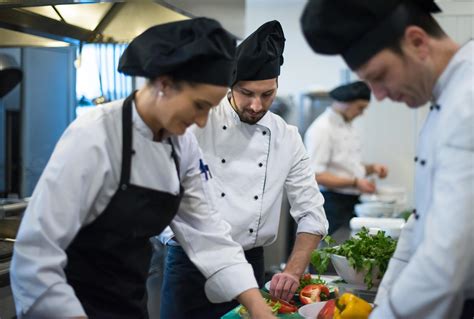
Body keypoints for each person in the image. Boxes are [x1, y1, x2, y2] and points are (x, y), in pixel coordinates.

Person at [10, 18, 277, 319]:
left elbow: (207, 232)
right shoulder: (95, 136)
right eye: (199, 106)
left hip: (129, 306)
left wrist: (257, 305)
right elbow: (36, 256)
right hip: (67, 306)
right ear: (163, 84)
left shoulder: (182, 145)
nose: (202, 121)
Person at [301, 0, 473, 318]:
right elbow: (419, 224)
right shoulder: (444, 100)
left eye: (379, 76)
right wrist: (383, 301)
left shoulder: (468, 100)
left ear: (418, 41)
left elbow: (445, 262)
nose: (378, 95)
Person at [156, 20, 328, 319]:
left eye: (267, 94)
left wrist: (292, 271)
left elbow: (312, 214)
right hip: (190, 264)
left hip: (249, 265)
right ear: (230, 85)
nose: (256, 105)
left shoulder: (286, 136)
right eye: (247, 92)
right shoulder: (198, 122)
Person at [304, 81, 388, 234]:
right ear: (344, 103)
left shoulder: (348, 125)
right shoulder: (322, 128)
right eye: (360, 108)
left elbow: (347, 165)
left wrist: (372, 168)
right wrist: (356, 182)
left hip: (350, 202)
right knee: (328, 252)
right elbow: (316, 175)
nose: (362, 113)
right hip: (331, 203)